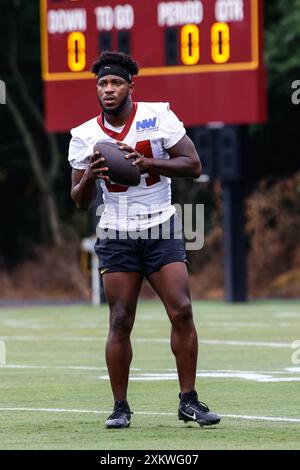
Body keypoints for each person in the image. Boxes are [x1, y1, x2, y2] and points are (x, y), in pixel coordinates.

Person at [69, 51, 221, 429]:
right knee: (120, 320)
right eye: (102, 83)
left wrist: (148, 163)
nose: (108, 89)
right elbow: (78, 199)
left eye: (116, 82)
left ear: (130, 87)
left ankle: (189, 401)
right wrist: (91, 175)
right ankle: (120, 407)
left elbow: (193, 165)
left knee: (182, 310)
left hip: (161, 225)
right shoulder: (84, 135)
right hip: (117, 229)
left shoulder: (159, 116)